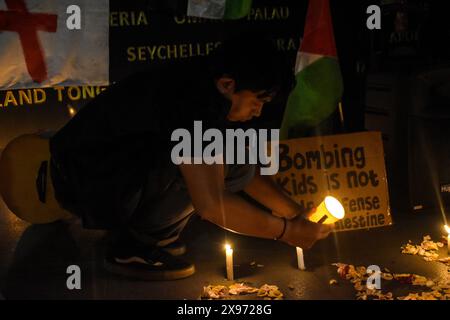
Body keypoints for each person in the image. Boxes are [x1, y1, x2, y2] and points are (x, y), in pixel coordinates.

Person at [49, 37, 334, 280]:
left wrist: (295, 213)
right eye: (256, 100)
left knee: (233, 153)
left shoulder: (207, 86)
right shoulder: (191, 102)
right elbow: (210, 204)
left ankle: (145, 230)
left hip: (109, 168)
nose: (258, 111)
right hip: (83, 180)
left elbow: (242, 170)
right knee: (194, 167)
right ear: (227, 84)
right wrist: (286, 232)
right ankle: (134, 247)